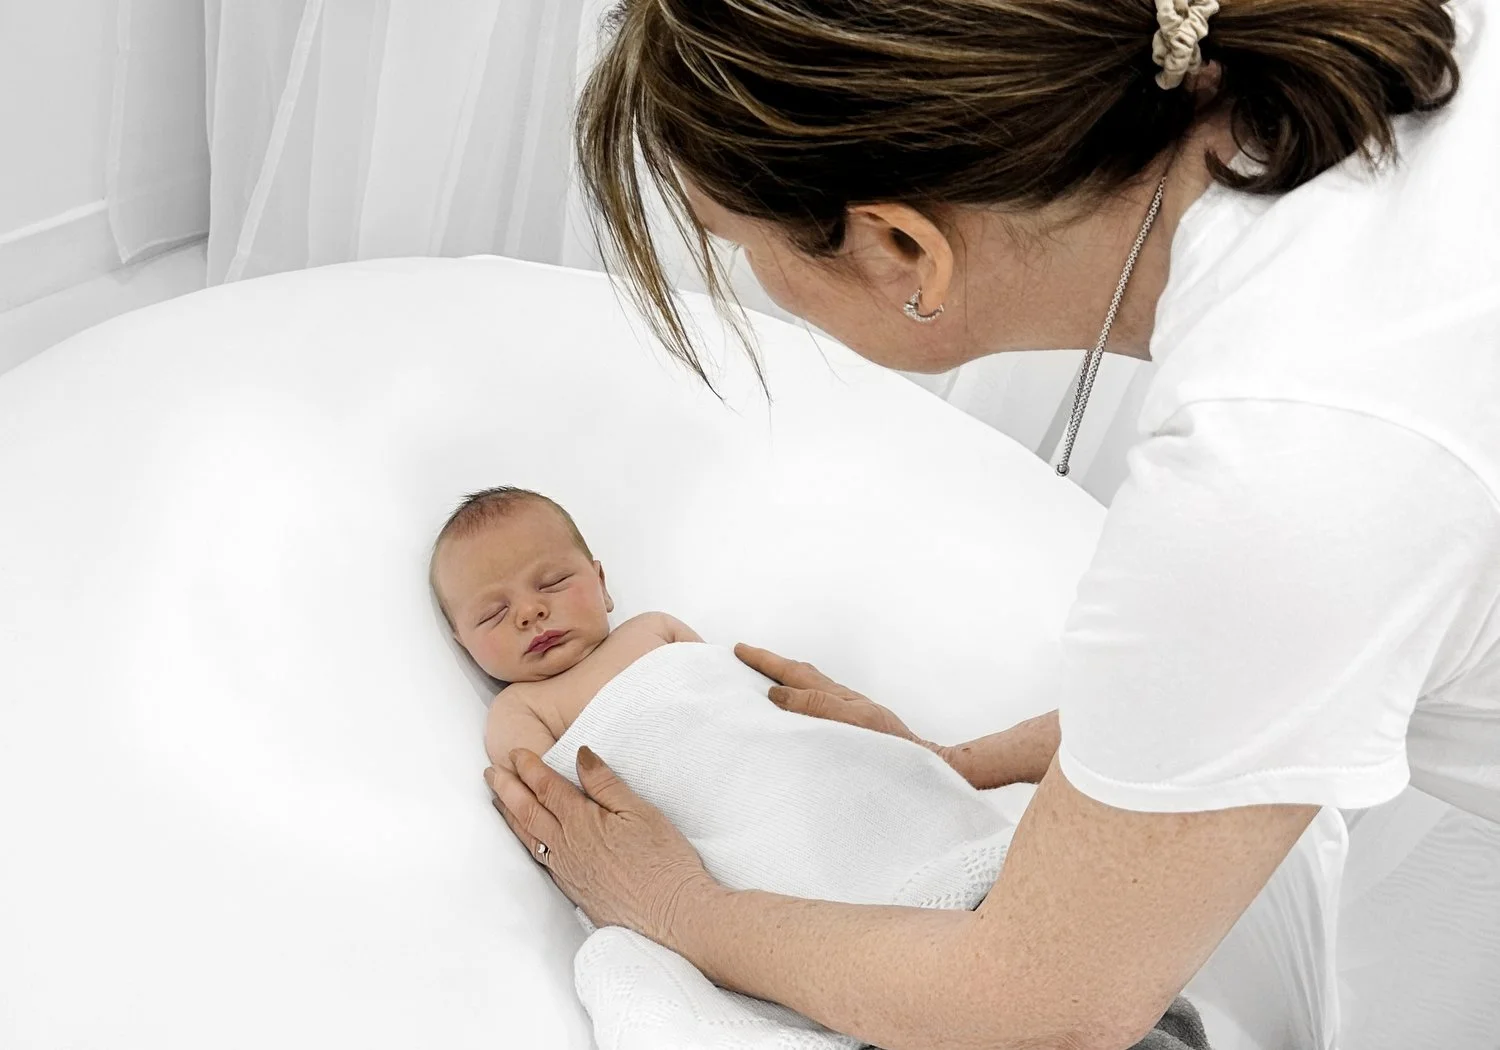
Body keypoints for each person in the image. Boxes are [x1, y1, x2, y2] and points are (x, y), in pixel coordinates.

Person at [485, 2, 1500, 1047]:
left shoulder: (1285, 459)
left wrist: (678, 912)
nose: (750, 286)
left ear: (898, 248)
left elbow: (1037, 1009)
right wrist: (951, 766)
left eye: (736, 246)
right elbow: (1256, 673)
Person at [434, 486, 1211, 1048]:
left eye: (553, 582)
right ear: (465, 645)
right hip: (709, 829)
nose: (531, 612)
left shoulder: (654, 631)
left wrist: (922, 760)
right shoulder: (521, 713)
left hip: (803, 791)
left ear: (601, 581)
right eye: (494, 613)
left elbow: (743, 710)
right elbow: (547, 797)